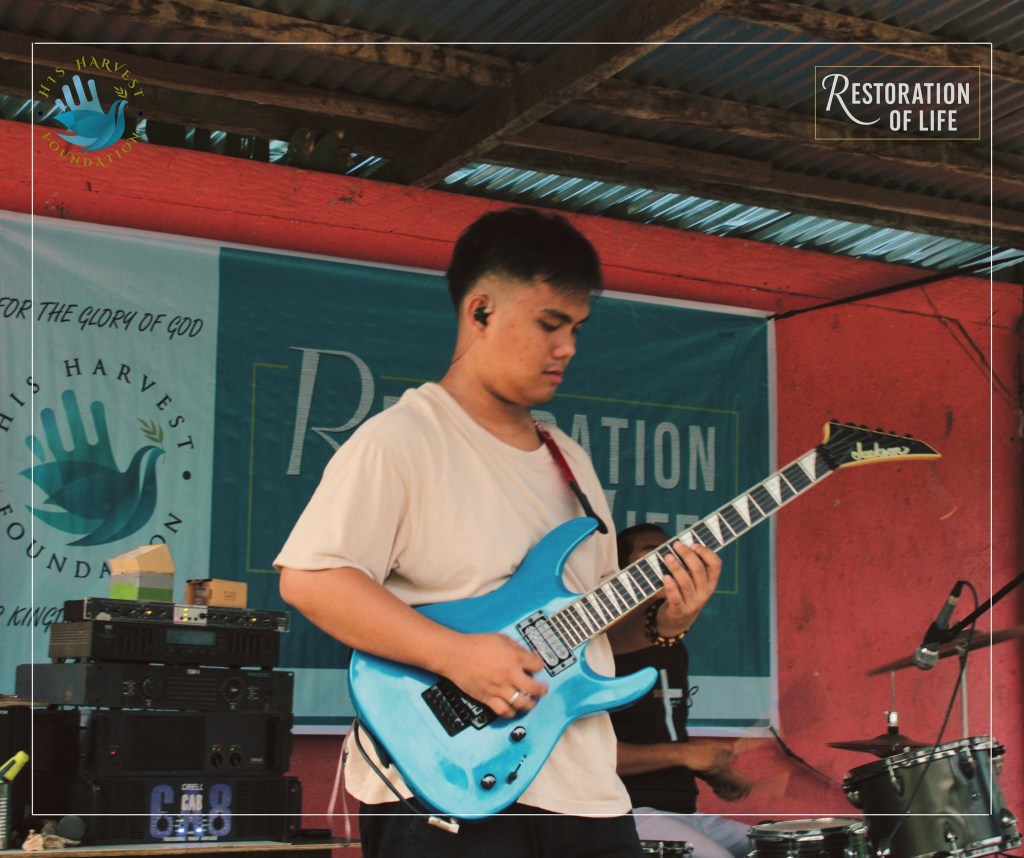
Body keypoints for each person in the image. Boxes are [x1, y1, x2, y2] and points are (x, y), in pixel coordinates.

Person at [275, 207, 722, 858]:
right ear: (480, 311)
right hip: (448, 786)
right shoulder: (402, 440)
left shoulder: (572, 463)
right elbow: (312, 580)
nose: (567, 348)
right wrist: (455, 656)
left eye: (576, 328)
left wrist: (665, 625)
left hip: (586, 795)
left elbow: (591, 634)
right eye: (550, 324)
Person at [612, 523, 753, 858]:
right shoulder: (600, 650)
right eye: (652, 554)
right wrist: (686, 755)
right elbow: (588, 755)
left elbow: (658, 735)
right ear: (618, 570)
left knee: (776, 846)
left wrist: (714, 770)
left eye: (674, 554)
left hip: (684, 811)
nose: (669, 563)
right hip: (624, 811)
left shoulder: (673, 649)